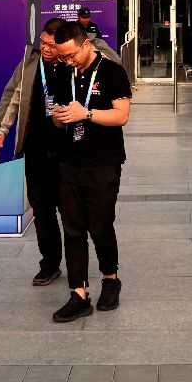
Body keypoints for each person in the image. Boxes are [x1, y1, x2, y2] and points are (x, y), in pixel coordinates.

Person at [47, 21, 133, 323]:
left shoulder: (112, 71)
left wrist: (86, 114)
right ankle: (78, 293)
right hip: (69, 160)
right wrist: (60, 117)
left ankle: (110, 279)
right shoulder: (63, 72)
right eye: (63, 57)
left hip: (103, 161)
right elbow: (56, 116)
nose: (68, 61)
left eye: (71, 55)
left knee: (100, 225)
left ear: (86, 44)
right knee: (72, 229)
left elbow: (122, 116)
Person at [0, 17, 68, 286]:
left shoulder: (75, 64)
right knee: (42, 210)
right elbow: (11, 96)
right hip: (35, 149)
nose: (45, 48)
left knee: (70, 210)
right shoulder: (30, 63)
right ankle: (50, 264)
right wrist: (0, 130)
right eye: (43, 42)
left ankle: (76, 265)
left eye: (52, 45)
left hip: (68, 152)